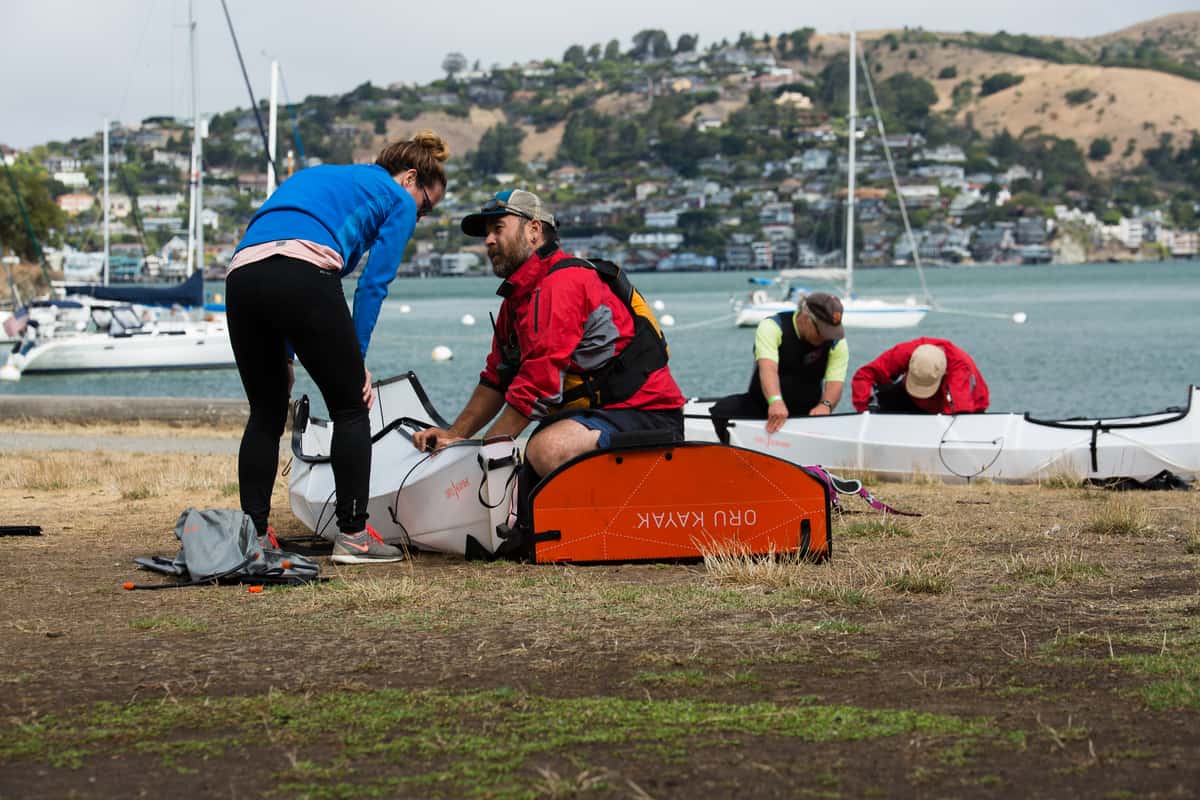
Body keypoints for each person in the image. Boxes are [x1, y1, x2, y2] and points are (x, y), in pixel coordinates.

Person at [225, 130, 448, 564]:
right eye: (426, 206)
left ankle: (254, 535)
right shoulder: (398, 198)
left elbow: (276, 249)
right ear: (409, 178)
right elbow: (373, 285)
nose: (419, 217)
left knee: (266, 411)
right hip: (301, 271)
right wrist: (356, 361)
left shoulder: (328, 176)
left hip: (241, 274)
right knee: (350, 405)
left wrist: (285, 356)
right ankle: (353, 535)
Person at [411, 189, 685, 537]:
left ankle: (619, 527)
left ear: (534, 231)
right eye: (487, 235)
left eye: (498, 228)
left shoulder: (563, 283)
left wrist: (485, 452)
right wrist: (453, 436)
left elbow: (538, 384)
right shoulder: (519, 296)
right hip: (598, 416)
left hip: (645, 414)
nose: (489, 241)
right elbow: (497, 378)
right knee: (528, 463)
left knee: (546, 449)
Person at [709, 292, 848, 443]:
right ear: (807, 318)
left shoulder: (837, 342)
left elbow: (835, 381)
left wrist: (825, 405)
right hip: (763, 406)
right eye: (823, 331)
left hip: (807, 413)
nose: (826, 337)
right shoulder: (773, 327)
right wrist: (775, 401)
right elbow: (768, 368)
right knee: (722, 410)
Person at [851, 337, 989, 414]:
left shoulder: (959, 371)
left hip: (961, 408)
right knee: (881, 400)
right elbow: (864, 376)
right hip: (909, 397)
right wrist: (864, 412)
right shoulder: (904, 352)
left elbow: (960, 416)